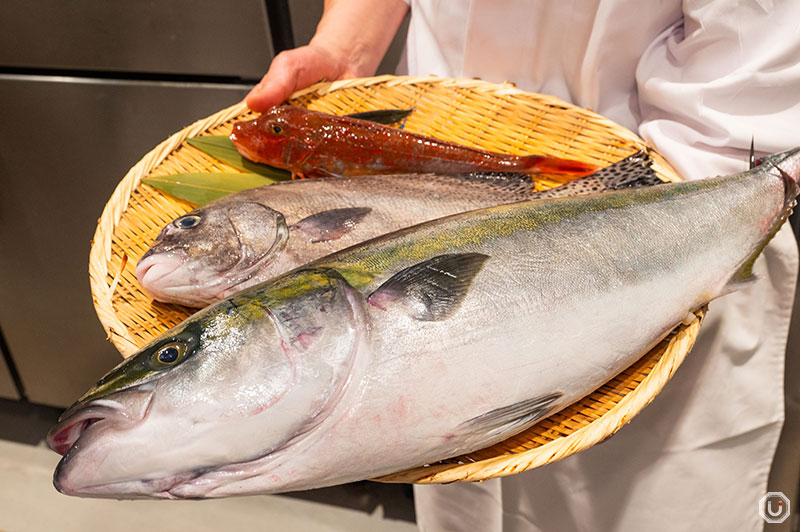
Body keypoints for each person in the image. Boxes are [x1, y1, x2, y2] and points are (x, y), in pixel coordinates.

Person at [247, 1, 800, 530]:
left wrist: (632, 202)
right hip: (441, 144)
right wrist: (346, 43)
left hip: (655, 209)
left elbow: (731, 99)